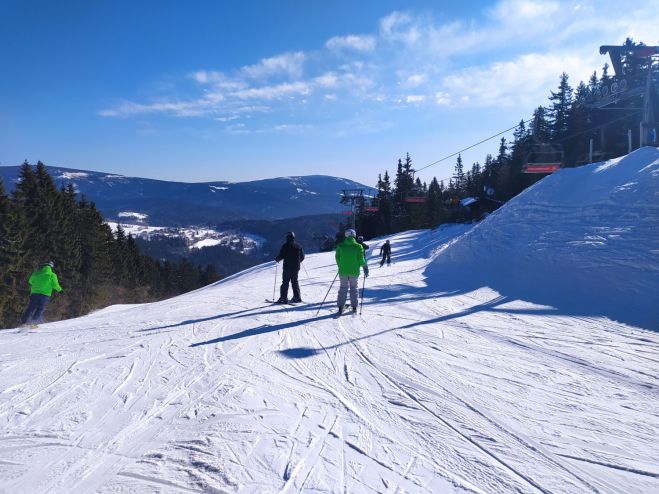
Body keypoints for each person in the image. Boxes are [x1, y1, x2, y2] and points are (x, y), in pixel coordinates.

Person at [335, 229, 368, 315]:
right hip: (354, 271)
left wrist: (341, 265)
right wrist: (365, 267)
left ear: (346, 235)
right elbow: (361, 259)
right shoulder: (358, 246)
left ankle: (340, 306)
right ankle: (354, 306)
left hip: (343, 271)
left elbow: (337, 258)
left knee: (343, 288)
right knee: (354, 288)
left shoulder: (340, 246)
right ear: (354, 235)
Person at [20, 260, 62, 327]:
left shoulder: (36, 273)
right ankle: (33, 323)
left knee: (31, 308)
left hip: (34, 294)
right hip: (45, 295)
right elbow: (55, 285)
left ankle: (23, 322)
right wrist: (60, 290)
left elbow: (30, 281)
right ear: (51, 267)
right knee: (40, 309)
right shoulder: (52, 275)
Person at [275, 231, 305, 303]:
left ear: (287, 237)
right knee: (295, 282)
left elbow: (281, 255)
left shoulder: (285, 246)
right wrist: (297, 262)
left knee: (285, 282)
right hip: (296, 268)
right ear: (293, 237)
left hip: (287, 267)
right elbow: (302, 257)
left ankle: (283, 298)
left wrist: (277, 259)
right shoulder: (299, 246)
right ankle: (297, 297)